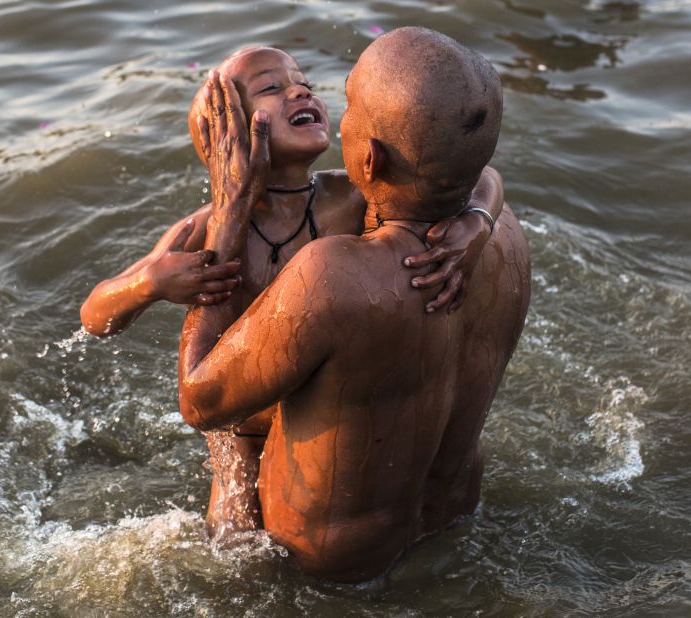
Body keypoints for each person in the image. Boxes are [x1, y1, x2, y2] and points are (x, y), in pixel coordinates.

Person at [79, 46, 507, 541]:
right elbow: (95, 315)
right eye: (270, 88)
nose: (300, 90)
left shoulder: (349, 195)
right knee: (234, 543)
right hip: (238, 435)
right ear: (224, 137)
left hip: (319, 421)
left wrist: (478, 224)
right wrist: (150, 283)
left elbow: (480, 175)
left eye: (302, 82)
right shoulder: (200, 231)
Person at [178, 27, 531, 582]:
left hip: (327, 567)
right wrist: (481, 213)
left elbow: (201, 403)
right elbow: (482, 176)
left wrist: (228, 213)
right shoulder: (500, 234)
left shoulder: (331, 276)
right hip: (454, 517)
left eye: (350, 109)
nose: (330, 114)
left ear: (368, 161)